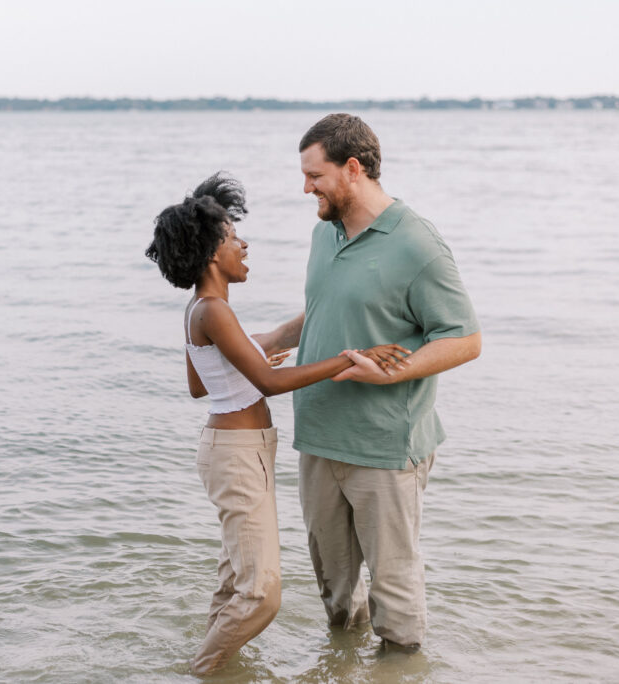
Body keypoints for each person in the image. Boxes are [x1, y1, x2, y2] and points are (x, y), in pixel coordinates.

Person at [145, 173, 410, 675]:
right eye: (231, 238)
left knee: (235, 579)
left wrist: (256, 353)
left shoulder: (203, 309)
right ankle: (195, 672)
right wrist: (350, 358)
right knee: (262, 593)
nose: (243, 244)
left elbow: (201, 384)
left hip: (239, 448)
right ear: (209, 253)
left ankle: (219, 668)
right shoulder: (216, 311)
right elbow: (267, 382)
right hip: (237, 453)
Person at [259, 114, 481, 651]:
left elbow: (464, 338)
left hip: (384, 447)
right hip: (317, 438)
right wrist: (266, 341)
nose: (305, 187)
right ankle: (341, 665)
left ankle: (401, 666)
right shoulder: (324, 232)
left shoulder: (417, 244)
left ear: (353, 168)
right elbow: (326, 309)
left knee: (395, 596)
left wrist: (392, 374)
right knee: (335, 596)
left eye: (315, 175)